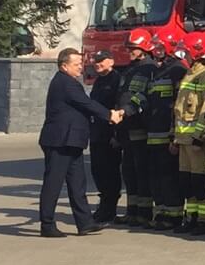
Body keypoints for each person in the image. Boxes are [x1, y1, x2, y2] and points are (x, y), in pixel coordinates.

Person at [37, 48, 121, 237]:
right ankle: (47, 224)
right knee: (53, 183)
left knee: (77, 183)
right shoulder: (65, 83)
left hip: (72, 141)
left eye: (80, 64)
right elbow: (86, 103)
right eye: (76, 64)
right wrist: (109, 115)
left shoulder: (69, 82)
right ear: (64, 66)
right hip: (60, 141)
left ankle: (85, 223)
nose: (81, 68)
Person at [173, 37, 205, 233]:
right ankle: (192, 218)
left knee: (202, 182)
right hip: (183, 139)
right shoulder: (190, 73)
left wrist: (198, 136)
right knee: (187, 181)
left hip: (199, 141)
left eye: (186, 52)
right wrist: (175, 137)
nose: (184, 56)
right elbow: (179, 109)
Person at [146, 31, 187, 230]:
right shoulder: (158, 70)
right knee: (156, 176)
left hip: (167, 133)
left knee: (169, 176)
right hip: (154, 132)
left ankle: (174, 215)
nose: (156, 50)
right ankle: (161, 212)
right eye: (155, 47)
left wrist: (174, 136)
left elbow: (177, 106)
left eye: (160, 46)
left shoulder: (178, 69)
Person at [118, 31, 158, 226]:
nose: (130, 51)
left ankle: (144, 212)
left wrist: (126, 111)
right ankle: (132, 211)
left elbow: (142, 96)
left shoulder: (149, 69)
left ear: (144, 48)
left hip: (139, 127)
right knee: (129, 171)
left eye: (133, 48)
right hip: (126, 126)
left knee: (141, 171)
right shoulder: (131, 69)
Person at [87, 51, 125, 227]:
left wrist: (117, 134)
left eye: (101, 61)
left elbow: (118, 108)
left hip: (110, 134)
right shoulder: (99, 81)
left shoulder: (117, 80)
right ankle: (104, 204)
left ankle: (109, 208)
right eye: (96, 61)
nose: (98, 64)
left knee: (110, 172)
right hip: (97, 133)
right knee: (97, 170)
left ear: (111, 61)